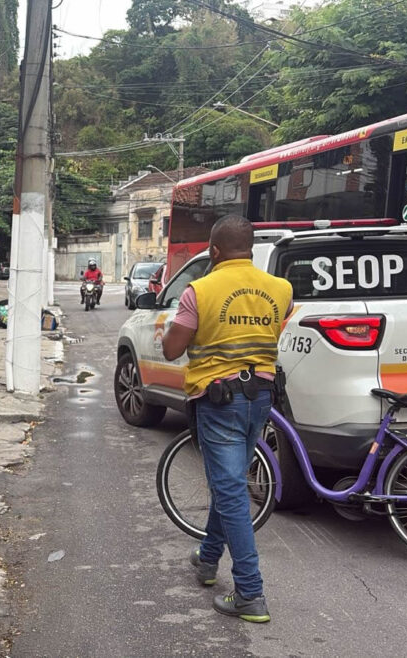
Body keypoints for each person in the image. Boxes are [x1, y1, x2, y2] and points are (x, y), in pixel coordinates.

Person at [160, 215, 292, 624]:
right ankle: (207, 558)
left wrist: (169, 331)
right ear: (249, 249)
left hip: (219, 401)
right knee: (229, 482)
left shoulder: (199, 290)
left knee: (231, 491)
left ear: (214, 251)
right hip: (260, 399)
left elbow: (171, 350)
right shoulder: (281, 289)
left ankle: (250, 593)